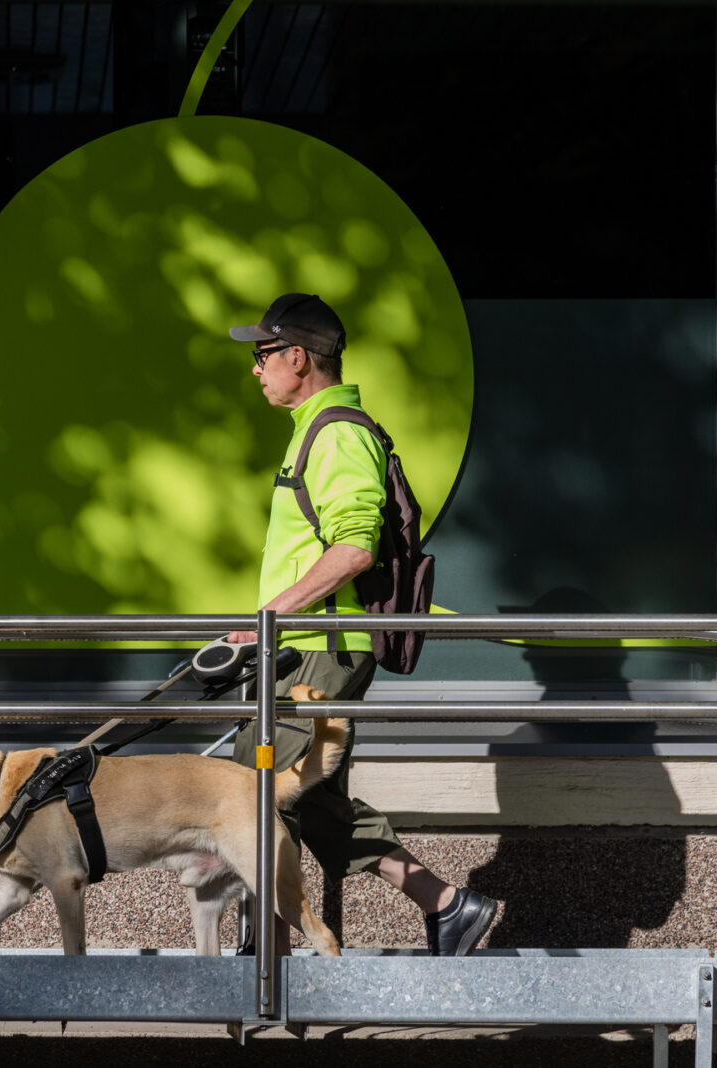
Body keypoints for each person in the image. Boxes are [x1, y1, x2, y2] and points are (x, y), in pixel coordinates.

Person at [225, 292, 497, 957]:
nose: (256, 370)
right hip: (310, 646)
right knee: (308, 799)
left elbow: (354, 548)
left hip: (321, 649)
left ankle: (265, 949)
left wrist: (272, 616)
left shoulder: (339, 433)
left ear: (297, 357)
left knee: (244, 792)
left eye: (262, 356)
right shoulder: (318, 428)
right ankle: (448, 906)